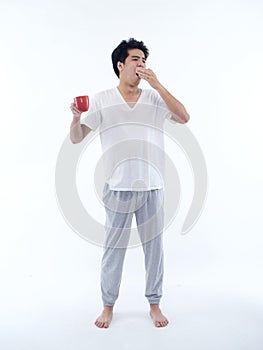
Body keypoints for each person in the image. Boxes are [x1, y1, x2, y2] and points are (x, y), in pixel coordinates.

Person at [70, 38, 190, 328]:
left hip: (151, 187)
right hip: (117, 188)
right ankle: (108, 306)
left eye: (144, 60)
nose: (141, 65)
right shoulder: (101, 99)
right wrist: (75, 118)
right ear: (120, 65)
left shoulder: (154, 98)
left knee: (154, 250)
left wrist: (158, 84)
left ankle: (155, 304)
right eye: (135, 59)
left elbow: (184, 117)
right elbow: (77, 138)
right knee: (113, 251)